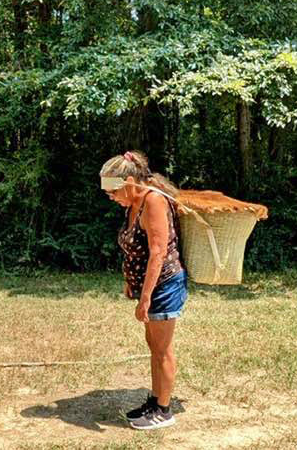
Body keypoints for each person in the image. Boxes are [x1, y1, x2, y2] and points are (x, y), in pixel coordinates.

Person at [99, 150, 187, 430]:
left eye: (113, 191)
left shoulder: (153, 201)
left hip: (164, 285)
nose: (110, 197)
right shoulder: (133, 202)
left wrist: (146, 297)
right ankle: (155, 400)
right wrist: (130, 280)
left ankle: (163, 410)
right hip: (149, 285)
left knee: (162, 349)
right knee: (154, 347)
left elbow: (157, 253)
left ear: (128, 181)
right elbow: (133, 247)